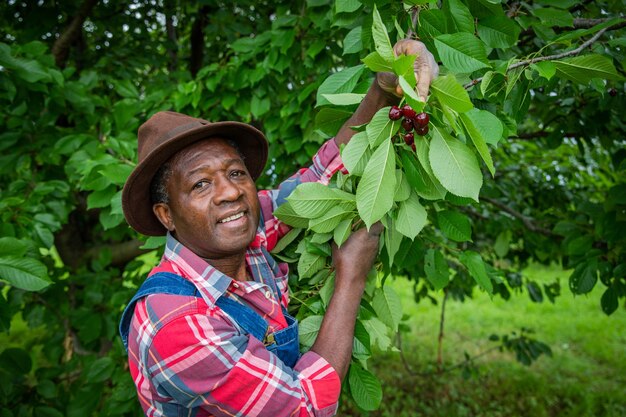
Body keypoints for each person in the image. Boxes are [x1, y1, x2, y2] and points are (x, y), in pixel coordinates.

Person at [119, 39, 438, 417]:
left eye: (236, 173)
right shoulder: (175, 322)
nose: (230, 193)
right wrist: (351, 276)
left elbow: (323, 178)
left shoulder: (245, 237)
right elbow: (305, 408)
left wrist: (384, 86)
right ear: (166, 215)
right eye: (200, 184)